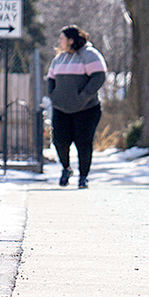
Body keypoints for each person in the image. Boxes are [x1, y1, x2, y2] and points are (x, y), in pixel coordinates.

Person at [46, 25, 107, 188]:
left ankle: (83, 176)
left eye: (62, 39)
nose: (59, 41)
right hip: (62, 109)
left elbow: (99, 76)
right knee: (60, 141)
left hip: (86, 109)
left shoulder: (89, 55)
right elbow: (50, 79)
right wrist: (53, 95)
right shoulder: (59, 58)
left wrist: (84, 96)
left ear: (71, 40)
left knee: (83, 143)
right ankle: (66, 168)